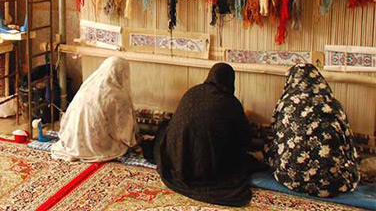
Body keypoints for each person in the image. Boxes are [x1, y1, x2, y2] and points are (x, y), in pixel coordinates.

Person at [153, 63, 257, 207]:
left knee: (165, 129)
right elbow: (245, 138)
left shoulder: (193, 91)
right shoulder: (230, 103)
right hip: (207, 164)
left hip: (179, 158)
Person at [264, 64, 360, 198]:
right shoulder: (331, 105)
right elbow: (348, 141)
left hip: (290, 178)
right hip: (332, 183)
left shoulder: (285, 104)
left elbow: (273, 139)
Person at [51, 56, 137, 162]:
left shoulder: (88, 87)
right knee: (120, 144)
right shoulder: (117, 96)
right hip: (97, 146)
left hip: (72, 141)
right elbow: (121, 130)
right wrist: (133, 138)